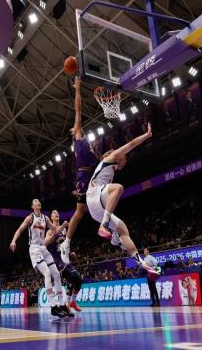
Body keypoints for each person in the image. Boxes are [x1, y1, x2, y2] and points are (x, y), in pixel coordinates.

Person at [86, 123, 160, 279]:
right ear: (119, 156)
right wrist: (147, 135)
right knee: (118, 188)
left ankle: (142, 263)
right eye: (125, 158)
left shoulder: (108, 168)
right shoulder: (112, 157)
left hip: (97, 209)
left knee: (124, 230)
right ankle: (105, 227)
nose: (125, 161)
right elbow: (131, 144)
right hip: (94, 197)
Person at [61, 77, 99, 265]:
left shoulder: (86, 142)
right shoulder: (78, 138)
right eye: (74, 128)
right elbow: (78, 109)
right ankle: (66, 242)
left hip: (89, 175)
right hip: (84, 175)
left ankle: (68, 242)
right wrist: (77, 89)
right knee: (81, 210)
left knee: (84, 210)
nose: (75, 127)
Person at [10, 199, 70, 318]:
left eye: (39, 201)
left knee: (56, 274)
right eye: (36, 201)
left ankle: (62, 304)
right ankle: (53, 306)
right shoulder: (30, 218)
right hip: (34, 249)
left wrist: (63, 225)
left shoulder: (45, 218)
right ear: (33, 206)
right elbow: (20, 229)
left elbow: (55, 230)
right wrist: (13, 241)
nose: (38, 202)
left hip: (43, 248)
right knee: (47, 273)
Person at [45, 209, 83, 313]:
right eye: (54, 213)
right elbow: (45, 243)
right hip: (56, 261)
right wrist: (54, 234)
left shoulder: (64, 230)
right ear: (51, 217)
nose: (56, 213)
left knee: (79, 279)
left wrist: (70, 253)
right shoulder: (50, 231)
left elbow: (65, 245)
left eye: (57, 212)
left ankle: (71, 302)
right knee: (72, 278)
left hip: (65, 258)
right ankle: (65, 304)